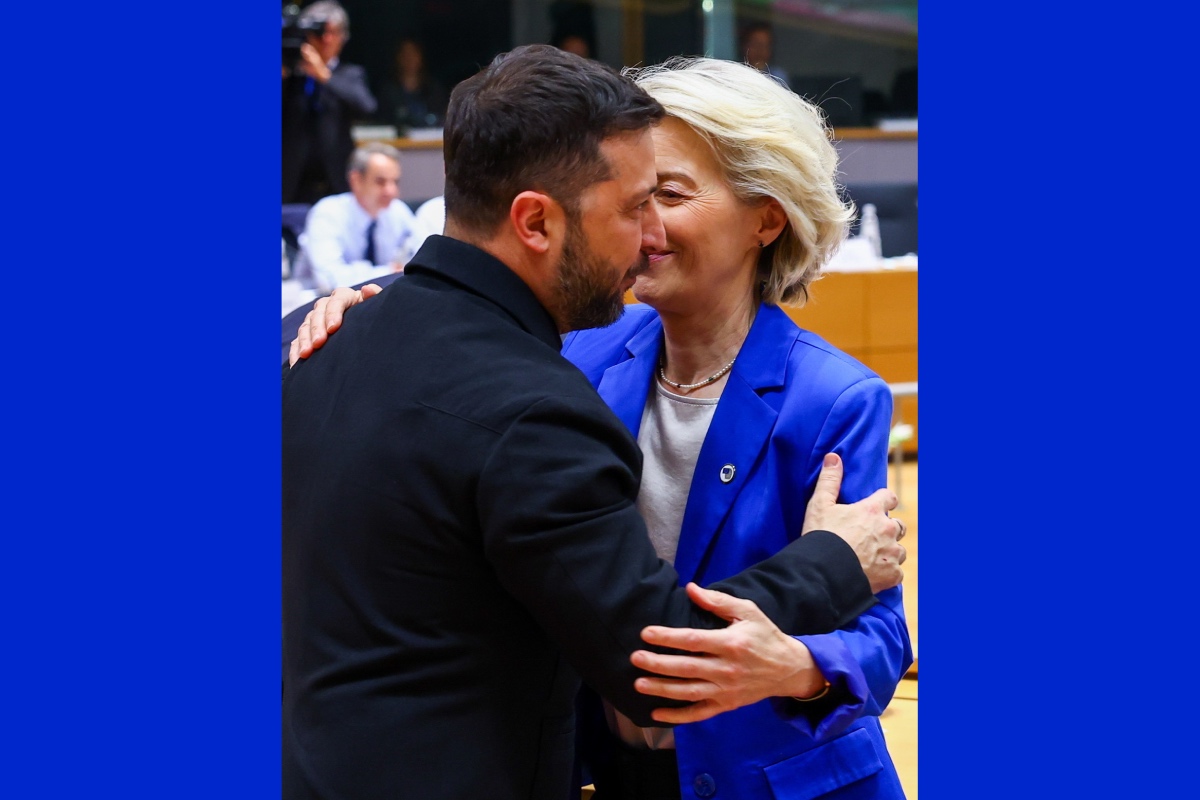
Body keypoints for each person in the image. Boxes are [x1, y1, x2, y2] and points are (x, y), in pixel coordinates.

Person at [282, 44, 905, 800]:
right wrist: (361, 304)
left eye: (666, 195)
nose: (646, 230)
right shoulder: (579, 351)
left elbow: (881, 635)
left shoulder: (832, 396)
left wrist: (799, 666)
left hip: (770, 779)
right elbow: (477, 299)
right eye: (635, 202)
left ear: (765, 219)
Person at [290, 142, 421, 294]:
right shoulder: (327, 213)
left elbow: (418, 261)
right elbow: (329, 280)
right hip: (320, 301)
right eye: (380, 182)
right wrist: (389, 271)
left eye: (395, 182)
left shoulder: (398, 211)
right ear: (356, 180)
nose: (391, 191)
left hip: (380, 299)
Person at [282, 1, 377, 204]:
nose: (325, 39)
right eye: (318, 33)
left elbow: (367, 107)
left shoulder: (350, 75)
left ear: (343, 37)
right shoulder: (291, 77)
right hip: (291, 181)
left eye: (332, 33)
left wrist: (323, 75)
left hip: (336, 179)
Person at [376, 37, 449, 130]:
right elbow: (383, 121)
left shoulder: (433, 89)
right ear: (398, 58)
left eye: (413, 54)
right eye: (405, 55)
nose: (409, 59)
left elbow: (441, 116)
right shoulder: (388, 91)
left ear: (420, 57)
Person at [740, 21, 791, 90]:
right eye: (755, 44)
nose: (760, 50)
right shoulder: (736, 75)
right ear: (744, 46)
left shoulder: (778, 77)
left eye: (765, 45)